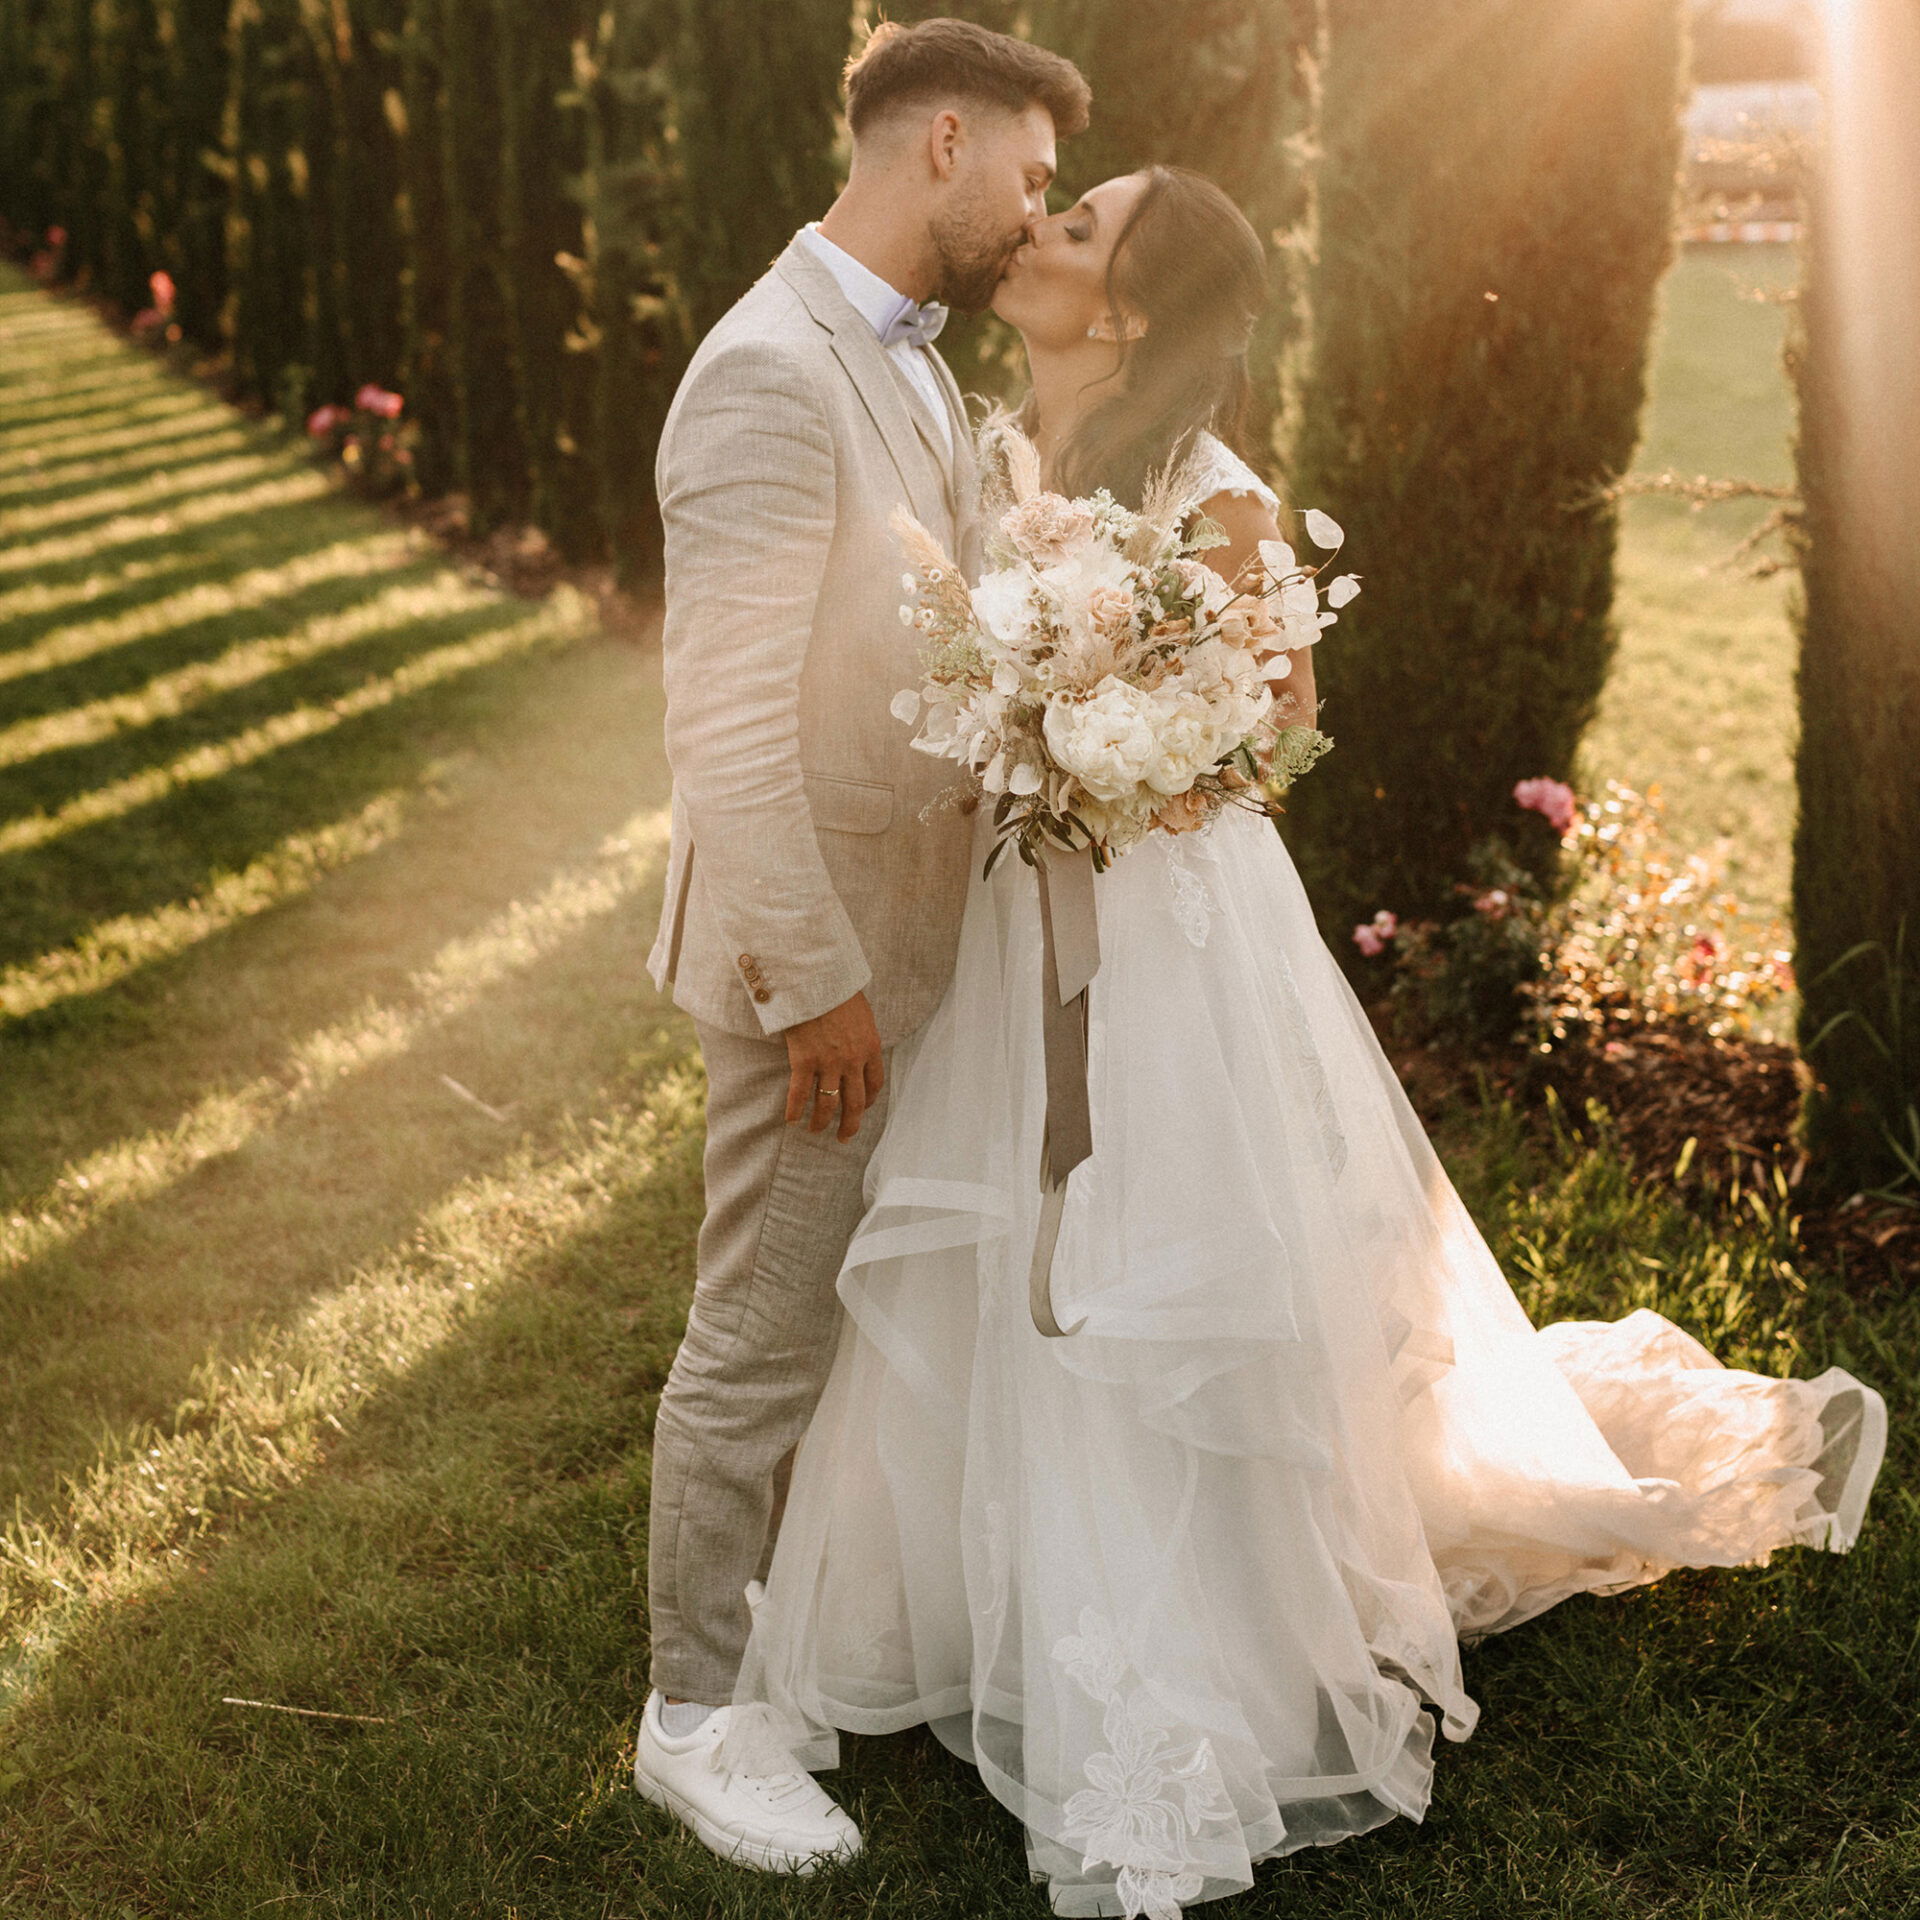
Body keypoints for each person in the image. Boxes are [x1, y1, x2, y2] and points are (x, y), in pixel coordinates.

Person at [713, 163, 1890, 1918]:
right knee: (1006, 1233)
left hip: (1176, 932)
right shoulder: (987, 452)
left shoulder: (1219, 497)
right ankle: (969, 1595)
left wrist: (1104, 744)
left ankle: (1193, 1653)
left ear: (1124, 310)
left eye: (1079, 227)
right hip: (1013, 904)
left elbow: (1275, 738)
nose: (1036, 230)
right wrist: (1019, 727)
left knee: (1162, 1263)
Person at [632, 16, 1091, 1875]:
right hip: (810, 963)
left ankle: (813, 1639)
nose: (1040, 216)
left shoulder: (891, 352)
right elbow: (725, 732)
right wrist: (817, 979)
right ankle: (692, 1710)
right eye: (1035, 182)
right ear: (947, 143)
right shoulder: (764, 374)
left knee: (844, 1322)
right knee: (758, 1328)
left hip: (920, 937)